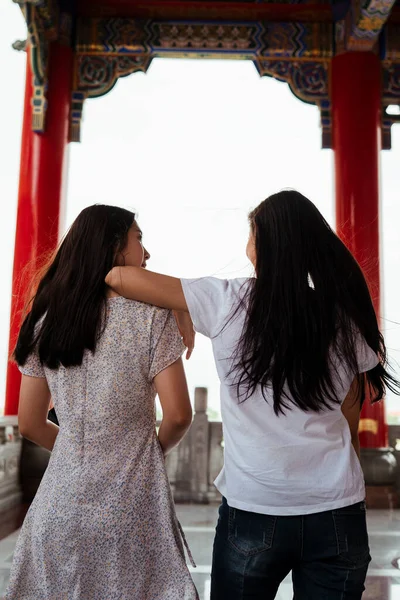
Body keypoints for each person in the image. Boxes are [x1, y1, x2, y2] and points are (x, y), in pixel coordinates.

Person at [106, 190, 399, 600]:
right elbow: (348, 411)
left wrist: (183, 307)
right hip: (337, 508)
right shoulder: (342, 317)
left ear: (260, 243)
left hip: (255, 508)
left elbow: (118, 277)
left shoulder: (226, 300)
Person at [6, 205, 198, 600]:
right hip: (133, 510)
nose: (146, 254)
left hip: (57, 508)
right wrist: (144, 450)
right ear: (114, 248)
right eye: (139, 239)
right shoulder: (150, 318)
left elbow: (29, 423)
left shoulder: (44, 321)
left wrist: (82, 450)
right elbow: (178, 415)